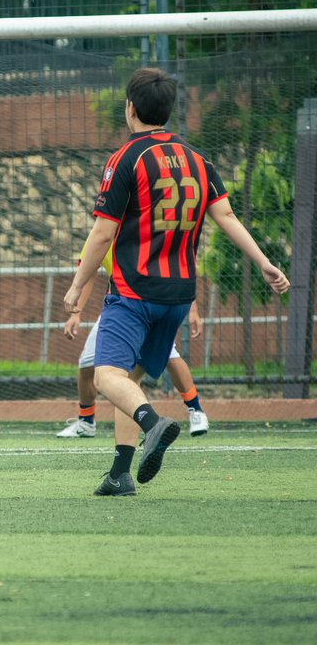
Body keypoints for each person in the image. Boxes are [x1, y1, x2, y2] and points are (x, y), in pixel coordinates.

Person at [64, 67, 289, 496]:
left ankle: (153, 423)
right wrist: (263, 261)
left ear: (130, 108)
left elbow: (103, 232)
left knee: (104, 376)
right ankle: (120, 473)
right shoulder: (198, 159)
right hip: (181, 294)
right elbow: (224, 215)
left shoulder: (126, 158)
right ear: (168, 110)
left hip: (134, 290)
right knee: (129, 379)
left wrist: (77, 286)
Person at [60, 233, 209, 439]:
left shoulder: (145, 231)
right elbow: (88, 272)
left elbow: (179, 267)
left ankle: (195, 410)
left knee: (168, 356)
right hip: (121, 308)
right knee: (88, 364)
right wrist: (76, 314)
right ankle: (87, 422)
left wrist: (193, 309)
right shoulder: (100, 235)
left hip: (150, 303)